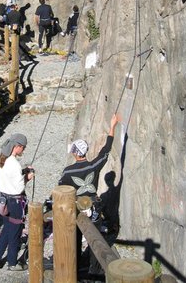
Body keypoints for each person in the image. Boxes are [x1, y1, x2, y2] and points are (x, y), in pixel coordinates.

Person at [59, 113, 121, 270]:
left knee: (76, 237)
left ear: (74, 152)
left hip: (77, 207)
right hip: (93, 206)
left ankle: (77, 266)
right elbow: (106, 150)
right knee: (96, 239)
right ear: (84, 152)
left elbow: (61, 188)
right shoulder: (94, 166)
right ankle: (94, 268)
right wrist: (112, 126)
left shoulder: (68, 172)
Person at [0, 134, 34, 271]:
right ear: (18, 146)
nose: (23, 150)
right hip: (15, 203)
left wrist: (22, 173)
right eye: (23, 148)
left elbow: (8, 176)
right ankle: (12, 263)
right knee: (15, 232)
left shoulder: (0, 158)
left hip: (3, 200)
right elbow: (19, 187)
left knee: (6, 228)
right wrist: (27, 177)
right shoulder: (14, 164)